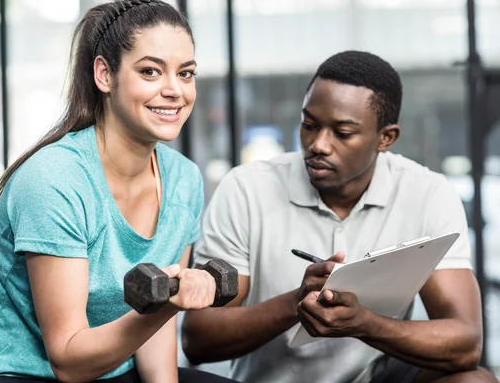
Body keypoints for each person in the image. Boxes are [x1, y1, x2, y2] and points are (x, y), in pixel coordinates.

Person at [0, 0, 238, 383]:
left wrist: (165, 307)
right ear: (104, 74)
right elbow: (68, 360)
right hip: (20, 374)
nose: (175, 90)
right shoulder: (54, 180)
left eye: (186, 73)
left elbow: (153, 331)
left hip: (110, 372)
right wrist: (169, 304)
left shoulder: (183, 180)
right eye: (151, 72)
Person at [181, 50, 499, 383]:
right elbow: (198, 338)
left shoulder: (427, 193)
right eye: (309, 125)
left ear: (386, 138)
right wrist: (296, 302)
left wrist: (365, 323)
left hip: (378, 379)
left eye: (342, 133)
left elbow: (465, 343)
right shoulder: (246, 189)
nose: (318, 144)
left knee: (475, 380)